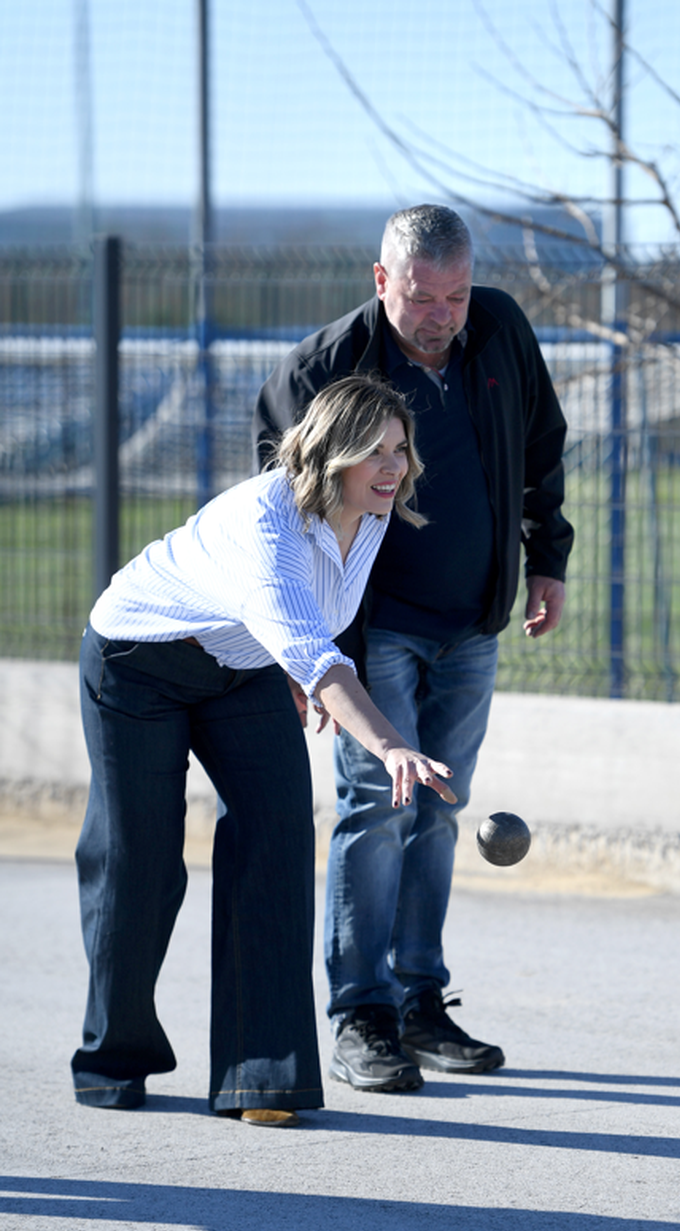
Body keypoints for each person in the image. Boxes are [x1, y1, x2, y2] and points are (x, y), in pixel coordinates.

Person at [72, 374, 455, 1128]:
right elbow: (311, 641)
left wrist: (291, 664)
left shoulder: (372, 514)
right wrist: (390, 745)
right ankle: (112, 1055)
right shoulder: (266, 519)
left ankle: (263, 1075)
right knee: (140, 858)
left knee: (278, 833)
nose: (393, 466)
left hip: (240, 665)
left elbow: (309, 624)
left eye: (400, 448)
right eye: (373, 450)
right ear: (329, 451)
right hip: (138, 659)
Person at [253, 204, 573, 1093]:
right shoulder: (323, 369)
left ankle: (420, 1000)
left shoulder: (499, 329)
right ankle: (361, 1012)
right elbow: (275, 509)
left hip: (472, 621)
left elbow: (543, 446)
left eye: (456, 294)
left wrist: (547, 558)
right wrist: (301, 646)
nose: (441, 314)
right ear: (381, 279)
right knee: (376, 807)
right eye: (422, 295)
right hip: (371, 629)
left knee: (438, 808)